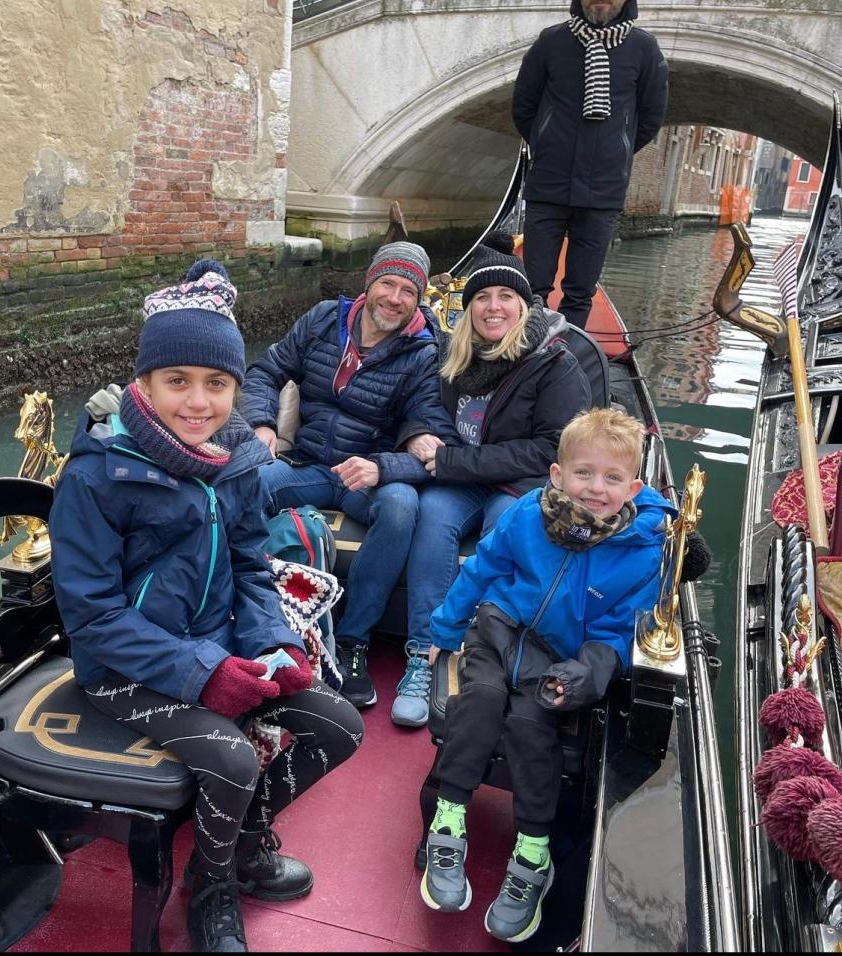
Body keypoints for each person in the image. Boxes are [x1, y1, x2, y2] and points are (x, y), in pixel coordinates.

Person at [49, 259, 364, 953]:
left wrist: (271, 643)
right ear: (146, 384)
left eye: (217, 384)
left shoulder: (239, 463)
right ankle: (213, 887)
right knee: (232, 759)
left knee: (339, 725)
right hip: (119, 667)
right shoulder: (97, 474)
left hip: (217, 646)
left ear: (234, 387)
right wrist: (204, 674)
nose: (199, 402)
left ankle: (237, 847)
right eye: (178, 382)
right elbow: (94, 618)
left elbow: (251, 569)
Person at [419, 407, 674, 943]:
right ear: (557, 476)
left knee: (531, 726)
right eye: (583, 473)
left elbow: (623, 632)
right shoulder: (527, 513)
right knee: (480, 702)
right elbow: (483, 569)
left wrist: (591, 671)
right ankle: (448, 820)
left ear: (634, 486)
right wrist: (443, 633)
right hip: (497, 632)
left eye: (611, 478)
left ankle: (532, 852)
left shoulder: (645, 550)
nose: (595, 489)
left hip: (561, 659)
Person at [242, 241, 459, 710]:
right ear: (370, 283)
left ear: (418, 298)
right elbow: (265, 371)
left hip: (367, 474)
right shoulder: (323, 319)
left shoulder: (424, 351)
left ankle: (354, 640)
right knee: (247, 485)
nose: (395, 298)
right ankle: (249, 610)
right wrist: (262, 422)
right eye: (388, 284)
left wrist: (381, 467)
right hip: (308, 464)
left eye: (408, 290)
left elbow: (433, 436)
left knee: (402, 507)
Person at [392, 235, 592, 728]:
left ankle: (486, 657)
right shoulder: (453, 356)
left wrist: (458, 462)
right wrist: (417, 432)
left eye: (506, 296)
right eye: (482, 297)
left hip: (523, 482)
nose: (493, 306)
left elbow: (553, 448)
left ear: (523, 306)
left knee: (506, 528)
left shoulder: (554, 363)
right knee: (433, 518)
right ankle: (424, 651)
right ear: (469, 309)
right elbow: (415, 406)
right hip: (464, 477)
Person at [512, 0, 668, 329]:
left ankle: (564, 360)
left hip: (603, 191)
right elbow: (524, 106)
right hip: (549, 185)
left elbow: (650, 118)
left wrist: (617, 150)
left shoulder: (644, 49)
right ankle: (528, 355)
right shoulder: (551, 41)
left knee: (580, 291)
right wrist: (548, 143)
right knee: (534, 287)